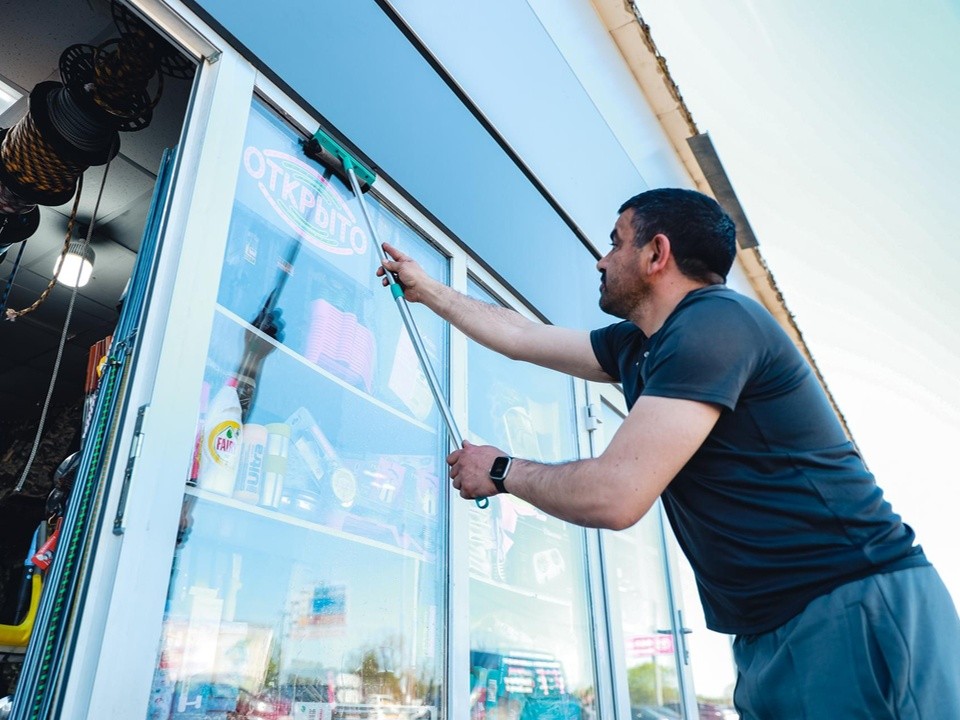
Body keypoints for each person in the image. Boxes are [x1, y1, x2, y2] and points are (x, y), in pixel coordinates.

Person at [377, 188, 960, 719]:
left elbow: (616, 494)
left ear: (657, 254)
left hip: (853, 607)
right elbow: (525, 338)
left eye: (615, 242)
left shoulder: (717, 323)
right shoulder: (640, 346)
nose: (601, 260)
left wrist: (501, 470)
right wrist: (430, 290)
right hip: (766, 633)